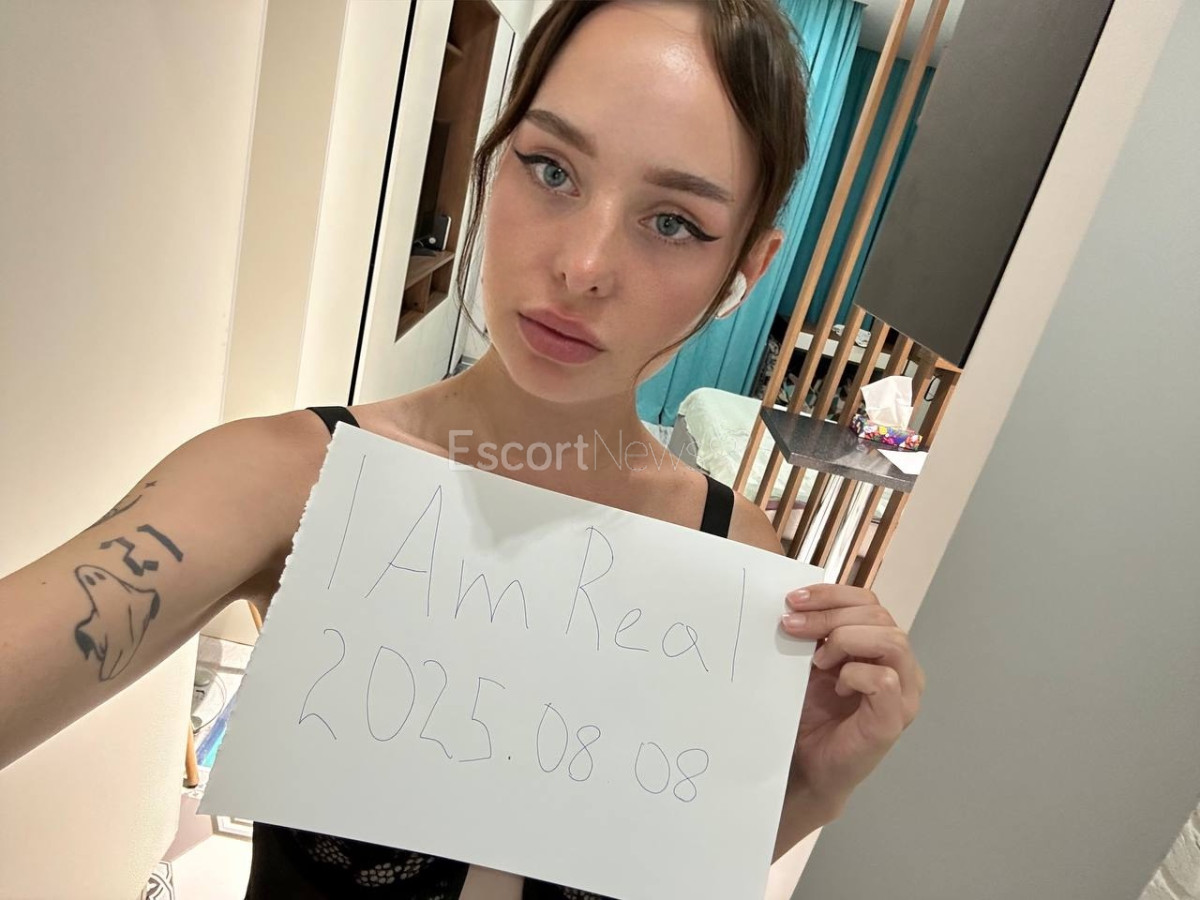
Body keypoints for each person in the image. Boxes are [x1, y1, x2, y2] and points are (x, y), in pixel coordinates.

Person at [0, 0, 924, 897]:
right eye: (552, 169)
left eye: (673, 221)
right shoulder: (291, 480)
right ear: (496, 157)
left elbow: (672, 869)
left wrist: (808, 788)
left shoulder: (733, 565)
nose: (583, 266)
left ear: (744, 269)